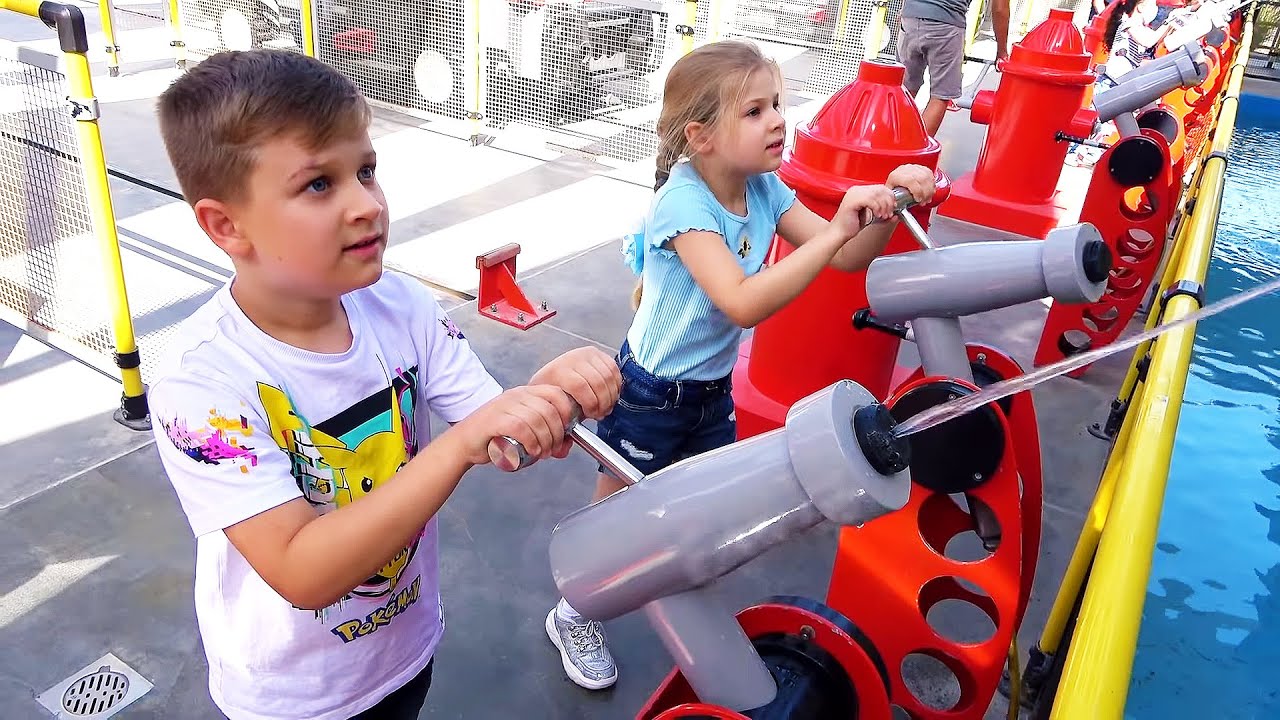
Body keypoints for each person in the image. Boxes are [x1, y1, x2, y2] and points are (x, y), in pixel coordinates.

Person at [147, 49, 622, 720]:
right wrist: (460, 447)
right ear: (227, 225)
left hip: (403, 652)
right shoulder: (201, 388)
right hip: (292, 698)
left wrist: (544, 396)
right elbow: (301, 569)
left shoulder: (400, 306)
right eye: (320, 184)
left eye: (366, 171)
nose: (367, 205)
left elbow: (491, 425)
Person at [543, 39, 938, 691]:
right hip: (649, 391)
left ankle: (674, 601)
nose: (778, 119)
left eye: (777, 103)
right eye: (754, 111)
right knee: (610, 523)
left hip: (707, 391)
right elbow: (743, 302)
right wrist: (841, 227)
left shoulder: (763, 187)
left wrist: (892, 202)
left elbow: (847, 257)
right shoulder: (684, 203)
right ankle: (574, 613)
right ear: (701, 136)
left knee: (702, 514)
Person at [897, 0, 1011, 136]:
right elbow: (1000, 8)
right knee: (940, 95)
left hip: (909, 19)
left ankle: (888, 144)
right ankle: (913, 154)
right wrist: (1002, 51)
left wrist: (905, 11)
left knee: (904, 90)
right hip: (946, 24)